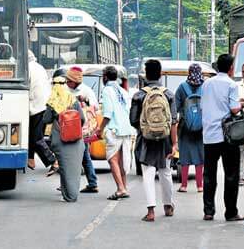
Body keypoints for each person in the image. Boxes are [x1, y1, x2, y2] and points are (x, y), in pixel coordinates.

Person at [130, 59, 178, 222]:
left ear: (145, 74)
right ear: (160, 73)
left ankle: (151, 211)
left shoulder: (139, 95)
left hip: (145, 139)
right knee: (165, 172)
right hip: (165, 139)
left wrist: (145, 129)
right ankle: (168, 206)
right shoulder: (169, 94)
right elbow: (173, 121)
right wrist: (174, 143)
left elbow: (133, 120)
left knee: (148, 173)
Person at [200, 54, 244, 222]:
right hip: (228, 136)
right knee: (231, 174)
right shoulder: (231, 85)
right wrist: (241, 104)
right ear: (231, 68)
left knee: (209, 175)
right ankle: (231, 212)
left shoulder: (206, 84)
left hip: (210, 135)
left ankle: (208, 211)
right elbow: (234, 109)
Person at [43, 75, 85, 202]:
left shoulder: (52, 102)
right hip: (76, 140)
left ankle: (69, 195)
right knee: (74, 169)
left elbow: (46, 120)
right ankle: (69, 194)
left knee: (64, 168)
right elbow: (82, 119)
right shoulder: (73, 100)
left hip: (60, 141)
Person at [97, 66, 135, 200]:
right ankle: (124, 187)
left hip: (114, 129)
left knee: (113, 160)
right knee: (122, 161)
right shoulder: (123, 91)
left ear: (105, 77)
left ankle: (120, 189)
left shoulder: (107, 90)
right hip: (126, 129)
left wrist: (99, 129)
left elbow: (107, 114)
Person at [66, 67, 99, 193]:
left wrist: (84, 100)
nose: (67, 83)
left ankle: (91, 182)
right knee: (70, 156)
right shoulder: (65, 89)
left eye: (69, 80)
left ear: (75, 81)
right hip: (68, 127)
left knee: (84, 156)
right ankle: (90, 182)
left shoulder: (86, 91)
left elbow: (94, 108)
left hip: (82, 129)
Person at [175, 63, 205, 193]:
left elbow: (175, 107)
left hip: (185, 127)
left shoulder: (182, 87)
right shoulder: (205, 86)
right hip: (202, 128)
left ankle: (184, 185)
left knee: (185, 156)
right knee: (200, 156)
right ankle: (200, 185)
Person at [27, 50, 56, 172]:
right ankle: (30, 159)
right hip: (44, 105)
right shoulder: (39, 67)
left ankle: (53, 161)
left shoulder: (26, 69)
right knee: (32, 135)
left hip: (36, 106)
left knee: (36, 137)